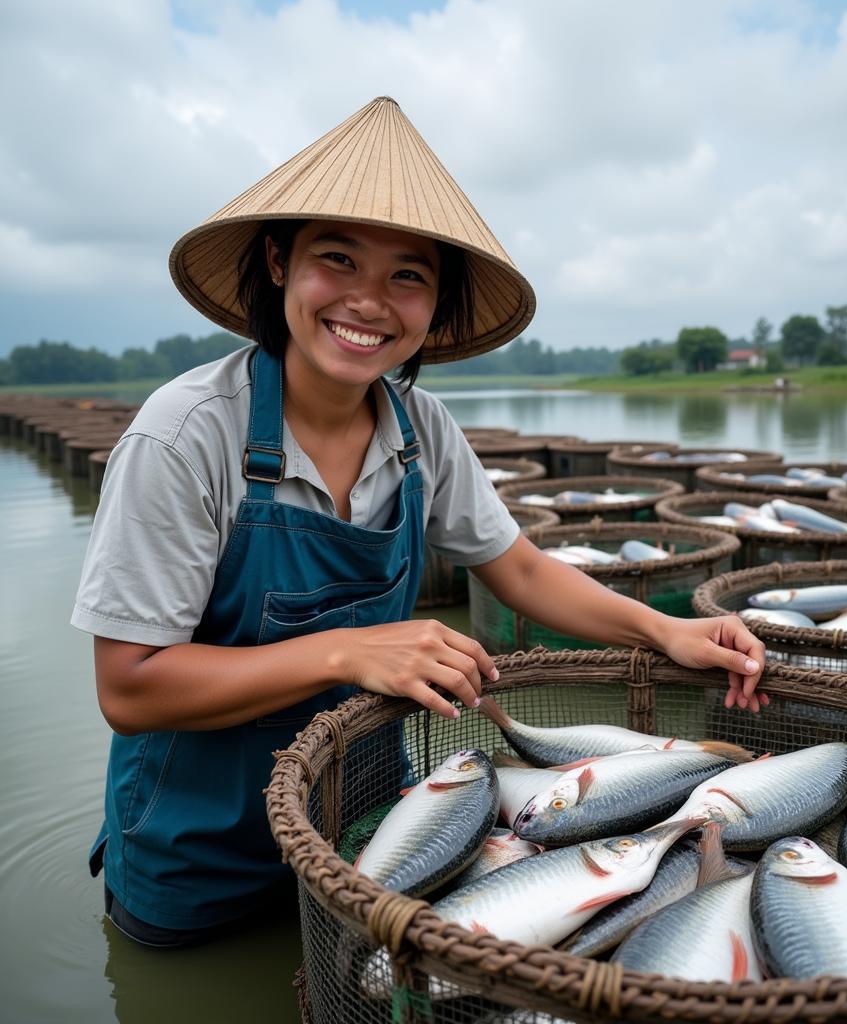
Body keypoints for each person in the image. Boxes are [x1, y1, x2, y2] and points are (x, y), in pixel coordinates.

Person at [72, 96, 766, 948]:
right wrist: (345, 650)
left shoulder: (418, 429)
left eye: (409, 275)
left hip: (375, 832)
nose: (370, 302)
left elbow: (519, 571)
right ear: (279, 262)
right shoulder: (185, 437)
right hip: (196, 855)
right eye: (338, 260)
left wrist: (666, 630)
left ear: (435, 306)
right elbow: (130, 687)